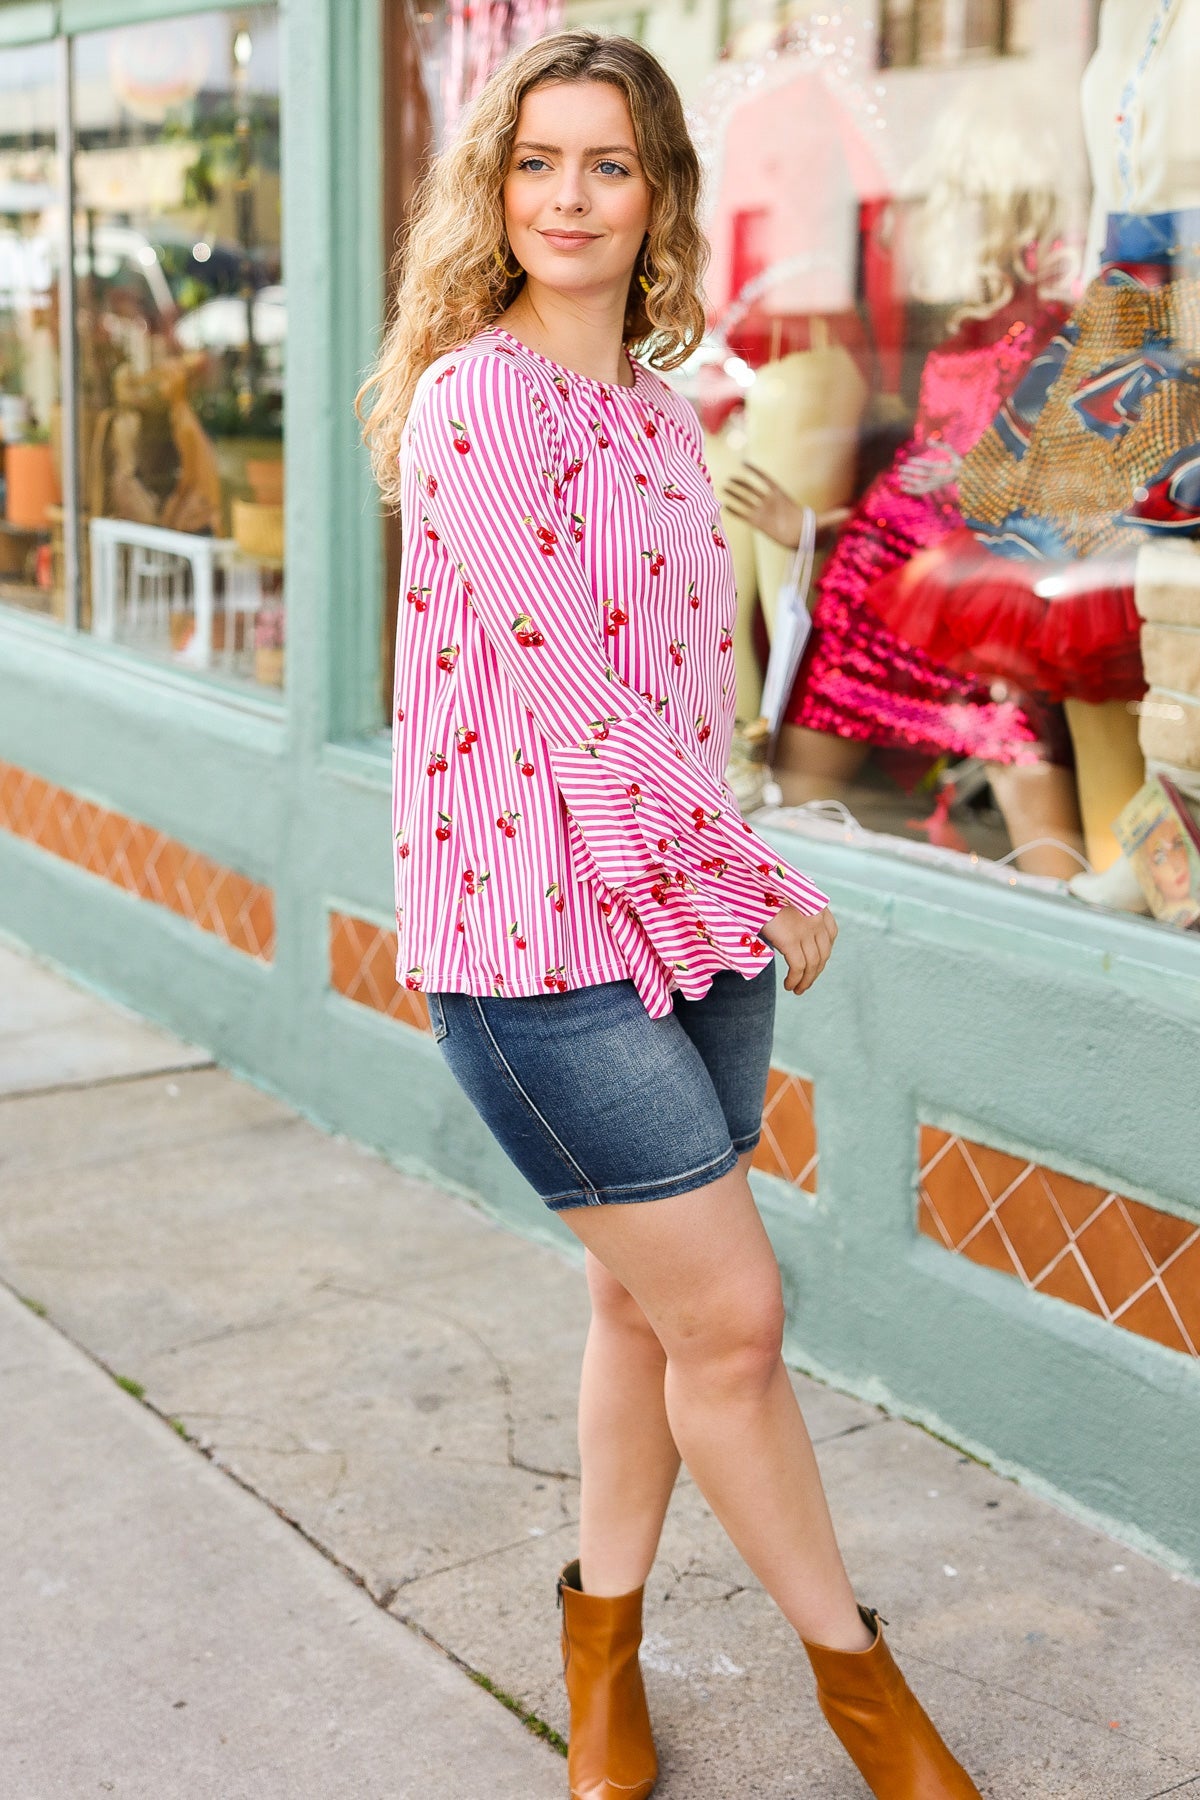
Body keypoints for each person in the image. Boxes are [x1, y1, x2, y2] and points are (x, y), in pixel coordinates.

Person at [358, 31, 981, 1800]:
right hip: (532, 949)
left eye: (607, 164)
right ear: (494, 190)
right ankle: (868, 1701)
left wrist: (726, 867)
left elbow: (688, 692)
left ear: (659, 196)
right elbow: (563, 691)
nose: (569, 195)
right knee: (735, 1326)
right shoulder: (475, 400)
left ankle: (603, 1657)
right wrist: (759, 875)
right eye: (537, 161)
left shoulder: (657, 416)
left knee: (641, 1310)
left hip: (681, 933)